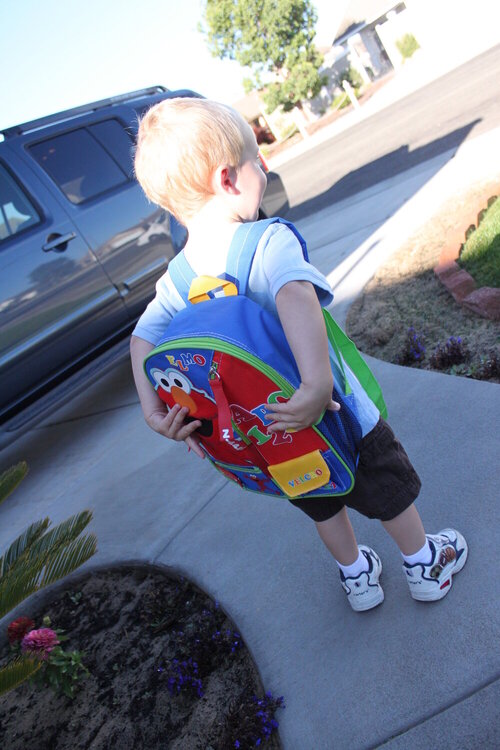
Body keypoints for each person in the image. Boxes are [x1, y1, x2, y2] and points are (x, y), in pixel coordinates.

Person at [130, 97, 467, 612]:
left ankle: (358, 577)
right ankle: (424, 564)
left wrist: (156, 413)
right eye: (255, 163)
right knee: (383, 480)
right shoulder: (267, 241)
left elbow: (142, 340)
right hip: (332, 406)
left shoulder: (175, 280)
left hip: (269, 428)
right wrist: (315, 387)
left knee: (318, 496)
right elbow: (294, 294)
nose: (263, 170)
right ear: (228, 180)